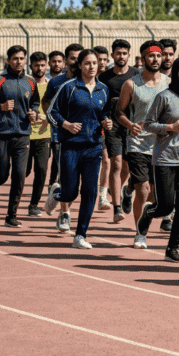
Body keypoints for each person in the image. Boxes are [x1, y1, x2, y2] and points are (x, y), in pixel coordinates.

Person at [136, 57, 179, 262]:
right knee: (165, 207)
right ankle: (148, 214)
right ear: (176, 73)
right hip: (165, 158)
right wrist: (169, 127)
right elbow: (148, 124)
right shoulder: (164, 97)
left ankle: (172, 249)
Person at [47, 49, 112, 249]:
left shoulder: (103, 89)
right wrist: (66, 124)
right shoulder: (69, 87)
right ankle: (57, 194)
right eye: (87, 63)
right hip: (71, 147)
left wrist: (106, 121)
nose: (92, 66)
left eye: (95, 63)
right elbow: (51, 112)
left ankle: (80, 235)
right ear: (80, 66)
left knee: (90, 191)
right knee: (70, 193)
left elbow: (105, 112)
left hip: (93, 147)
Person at [0, 45, 40, 228]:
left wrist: (34, 113)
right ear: (8, 61)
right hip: (1, 134)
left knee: (20, 176)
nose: (19, 62)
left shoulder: (30, 82)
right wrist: (0, 107)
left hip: (23, 135)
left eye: (22, 58)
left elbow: (35, 102)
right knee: (2, 174)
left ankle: (11, 215)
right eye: (15, 58)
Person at [116, 40, 170, 249]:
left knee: (157, 194)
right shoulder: (131, 84)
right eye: (151, 56)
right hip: (138, 143)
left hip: (161, 145)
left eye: (158, 56)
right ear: (143, 58)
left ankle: (128, 188)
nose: (156, 59)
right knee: (144, 190)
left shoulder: (168, 83)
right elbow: (119, 112)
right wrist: (130, 125)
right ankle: (140, 232)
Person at [41, 43, 83, 233]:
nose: (76, 62)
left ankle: (56, 193)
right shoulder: (56, 83)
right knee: (68, 173)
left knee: (78, 180)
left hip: (85, 137)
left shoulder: (88, 81)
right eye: (73, 58)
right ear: (66, 60)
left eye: (79, 58)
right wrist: (55, 120)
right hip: (61, 136)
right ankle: (65, 214)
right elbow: (46, 102)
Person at [99, 39, 139, 222]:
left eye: (124, 53)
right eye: (118, 53)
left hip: (132, 124)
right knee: (115, 163)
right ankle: (117, 207)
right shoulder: (104, 78)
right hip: (112, 125)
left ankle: (121, 190)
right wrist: (103, 119)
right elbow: (100, 103)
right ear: (113, 55)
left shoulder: (136, 76)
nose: (121, 56)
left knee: (127, 166)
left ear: (129, 55)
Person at [26, 51, 51, 217]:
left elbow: (57, 111)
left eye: (42, 65)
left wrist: (43, 116)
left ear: (46, 65)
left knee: (41, 170)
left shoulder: (52, 86)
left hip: (44, 135)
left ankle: (33, 205)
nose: (40, 68)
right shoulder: (25, 84)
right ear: (31, 66)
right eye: (37, 65)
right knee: (23, 172)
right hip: (25, 135)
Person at [92, 46, 113, 210]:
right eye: (100, 59)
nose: (103, 63)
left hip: (104, 126)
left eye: (106, 60)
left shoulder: (108, 80)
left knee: (106, 160)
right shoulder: (85, 79)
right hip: (84, 128)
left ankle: (103, 196)